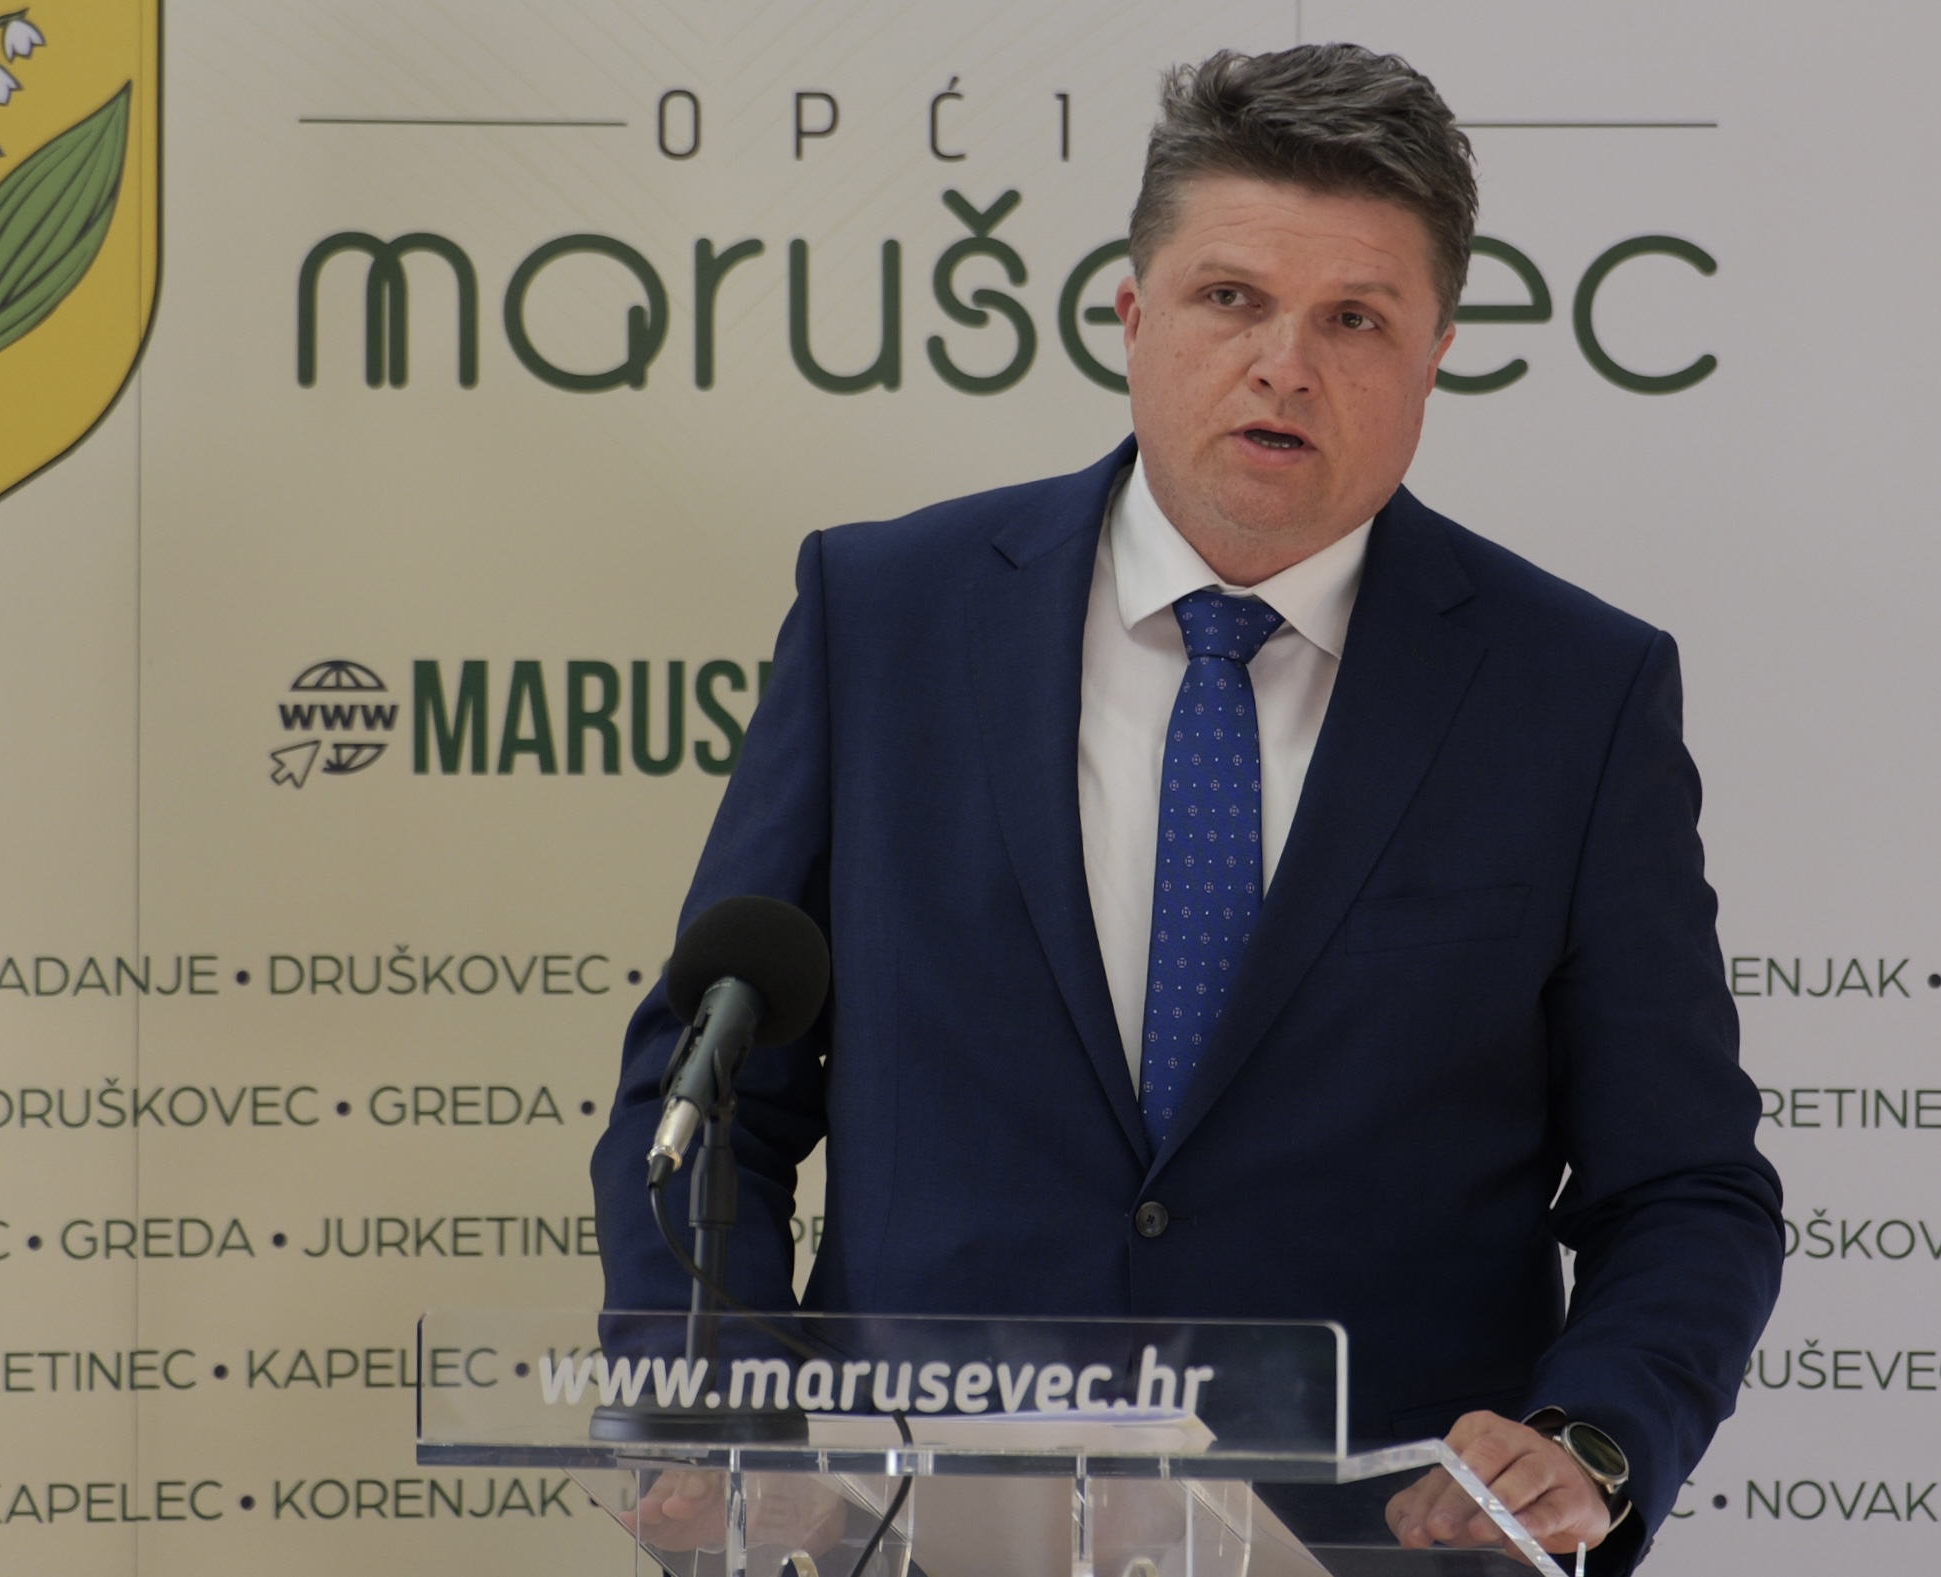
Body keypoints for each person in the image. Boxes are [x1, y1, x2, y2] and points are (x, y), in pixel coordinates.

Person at [591, 42, 1781, 1573]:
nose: (1284, 363)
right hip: (907, 1538)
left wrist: (1591, 1434)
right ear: (1131, 315)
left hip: (1373, 1550)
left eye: (1354, 318)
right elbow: (709, 1093)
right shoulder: (883, 616)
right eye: (1231, 297)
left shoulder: (1573, 692)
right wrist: (726, 1425)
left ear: (1436, 356)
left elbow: (1682, 1186)